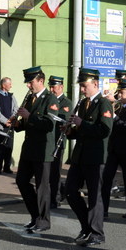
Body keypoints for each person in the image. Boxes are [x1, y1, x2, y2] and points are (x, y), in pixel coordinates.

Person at [64, 68, 113, 247]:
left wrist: (82, 123)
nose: (82, 89)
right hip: (80, 156)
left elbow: (105, 130)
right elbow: (80, 131)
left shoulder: (103, 103)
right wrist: (70, 131)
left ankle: (97, 233)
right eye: (81, 86)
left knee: (94, 196)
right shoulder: (83, 103)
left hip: (95, 157)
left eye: (85, 86)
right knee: (69, 190)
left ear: (95, 84)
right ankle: (86, 226)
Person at [13, 66, 58, 233]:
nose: (28, 85)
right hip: (29, 148)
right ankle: (35, 216)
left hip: (42, 150)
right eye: (27, 82)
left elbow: (48, 124)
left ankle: (44, 221)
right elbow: (27, 124)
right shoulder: (30, 99)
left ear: (41, 81)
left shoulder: (50, 99)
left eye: (31, 82)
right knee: (21, 181)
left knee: (42, 187)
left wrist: (29, 116)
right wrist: (17, 124)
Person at [101, 78, 126, 218]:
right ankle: (103, 209)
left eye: (121, 93)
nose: (118, 95)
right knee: (106, 178)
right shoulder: (118, 107)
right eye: (118, 92)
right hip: (113, 149)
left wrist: (114, 116)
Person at [48, 75, 72, 208]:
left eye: (54, 87)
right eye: (50, 87)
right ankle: (59, 191)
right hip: (47, 141)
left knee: (55, 172)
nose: (51, 90)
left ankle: (55, 198)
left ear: (61, 87)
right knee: (47, 171)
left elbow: (63, 119)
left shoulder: (66, 102)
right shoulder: (48, 100)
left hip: (58, 140)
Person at [0, 77, 17, 175]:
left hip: (10, 126)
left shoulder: (11, 96)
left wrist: (11, 119)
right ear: (3, 85)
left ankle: (7, 167)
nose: (11, 86)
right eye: (9, 84)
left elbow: (16, 109)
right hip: (0, 126)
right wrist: (5, 121)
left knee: (9, 148)